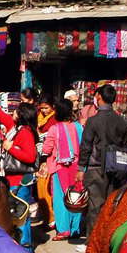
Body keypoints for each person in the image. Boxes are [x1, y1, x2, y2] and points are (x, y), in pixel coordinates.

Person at [78, 83, 127, 236]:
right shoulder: (120, 120)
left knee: (95, 206)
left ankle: (94, 240)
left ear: (99, 97)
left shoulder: (93, 121)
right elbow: (125, 143)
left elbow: (86, 145)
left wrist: (81, 168)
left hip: (97, 168)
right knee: (113, 205)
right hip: (117, 167)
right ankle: (111, 237)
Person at [0, 100, 39, 248]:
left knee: (21, 216)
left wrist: (10, 148)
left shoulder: (25, 132)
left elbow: (30, 156)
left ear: (21, 115)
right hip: (13, 180)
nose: (13, 112)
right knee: (16, 215)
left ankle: (25, 251)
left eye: (16, 111)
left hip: (20, 182)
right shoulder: (15, 128)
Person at [40, 98, 84, 239]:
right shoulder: (78, 127)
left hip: (59, 168)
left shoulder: (54, 129)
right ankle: (75, 228)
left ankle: (64, 230)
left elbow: (46, 149)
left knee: (60, 199)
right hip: (77, 167)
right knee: (76, 197)